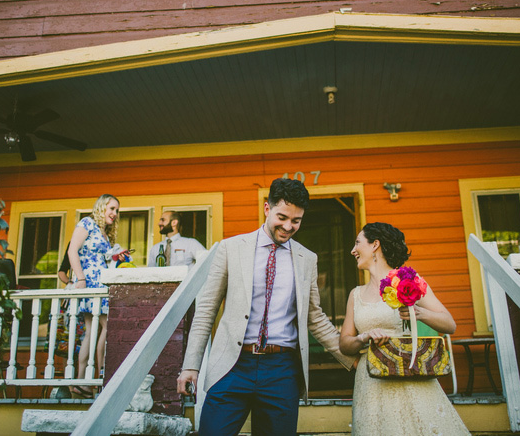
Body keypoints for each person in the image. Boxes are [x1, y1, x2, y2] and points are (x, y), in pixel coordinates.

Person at [177, 178, 355, 436]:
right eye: (282, 217)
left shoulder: (308, 259)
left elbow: (315, 318)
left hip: (282, 370)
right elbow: (206, 310)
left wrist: (352, 360)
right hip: (232, 366)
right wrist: (190, 365)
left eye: (296, 220)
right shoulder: (230, 249)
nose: (288, 226)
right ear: (266, 208)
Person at [339, 222, 469, 435]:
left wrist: (418, 312)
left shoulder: (410, 281)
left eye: (357, 243)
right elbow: (344, 344)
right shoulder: (356, 294)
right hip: (371, 385)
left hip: (409, 377)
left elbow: (450, 324)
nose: (353, 250)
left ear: (375, 245)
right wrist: (364, 337)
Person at [68, 194, 128, 398]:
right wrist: (80, 279)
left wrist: (116, 256)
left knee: (92, 330)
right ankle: (103, 372)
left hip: (103, 283)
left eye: (117, 210)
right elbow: (72, 251)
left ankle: (81, 380)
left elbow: (101, 258)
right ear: (101, 207)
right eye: (112, 208)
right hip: (90, 283)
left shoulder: (105, 232)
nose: (114, 213)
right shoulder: (87, 223)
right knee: (108, 326)